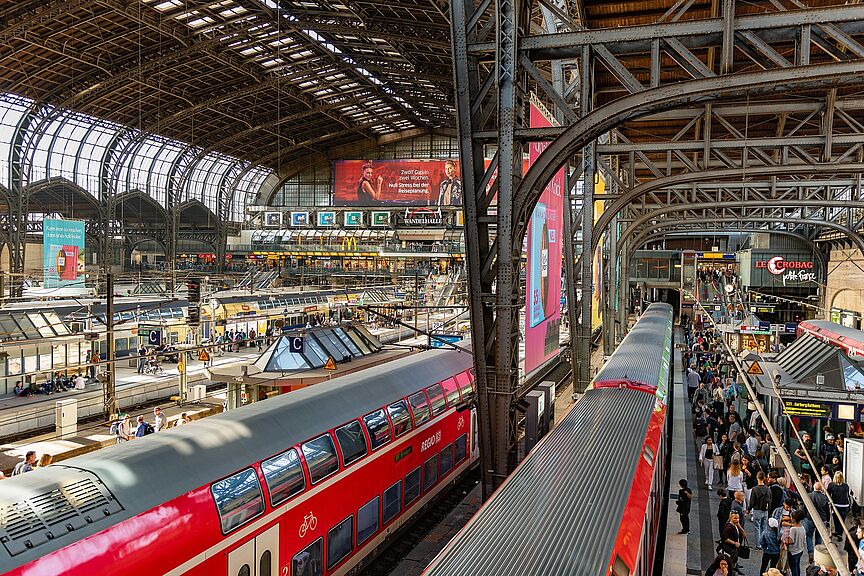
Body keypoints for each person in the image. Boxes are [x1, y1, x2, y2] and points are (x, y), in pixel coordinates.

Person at [751, 471, 773, 548]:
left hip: (757, 510)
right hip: (765, 510)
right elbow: (771, 499)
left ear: (757, 477)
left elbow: (752, 502)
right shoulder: (768, 489)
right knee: (764, 527)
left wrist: (749, 509)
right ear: (764, 478)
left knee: (757, 527)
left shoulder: (754, 489)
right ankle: (763, 543)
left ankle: (758, 544)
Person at [827, 471, 852, 538]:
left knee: (836, 519)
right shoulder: (846, 486)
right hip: (845, 505)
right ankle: (840, 534)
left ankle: (837, 532)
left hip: (836, 504)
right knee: (842, 520)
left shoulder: (831, 485)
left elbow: (828, 494)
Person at [721, 509, 747, 574]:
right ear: (730, 518)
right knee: (728, 564)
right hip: (729, 549)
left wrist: (742, 531)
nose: (737, 520)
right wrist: (734, 543)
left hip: (733, 549)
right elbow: (725, 539)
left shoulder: (735, 525)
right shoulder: (728, 527)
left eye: (738, 518)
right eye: (735, 518)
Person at [788, 510, 807, 576]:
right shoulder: (802, 527)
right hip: (800, 550)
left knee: (793, 568)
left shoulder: (793, 529)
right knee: (797, 566)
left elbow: (791, 541)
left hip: (793, 552)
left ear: (794, 519)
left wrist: (784, 540)